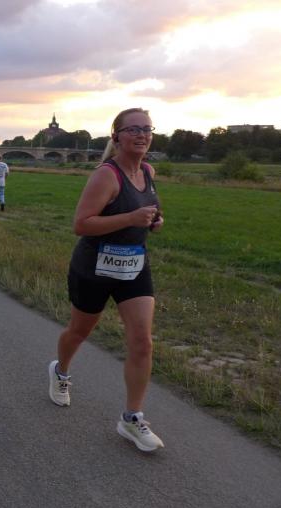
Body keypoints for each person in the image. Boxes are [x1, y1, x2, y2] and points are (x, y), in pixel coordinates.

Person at [48, 108, 165, 452]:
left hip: (133, 267)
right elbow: (81, 224)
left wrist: (153, 221)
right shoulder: (106, 175)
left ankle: (131, 418)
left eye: (147, 128)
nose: (142, 135)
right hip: (95, 267)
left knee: (142, 341)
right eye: (133, 129)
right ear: (116, 136)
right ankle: (61, 371)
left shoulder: (148, 171)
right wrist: (130, 217)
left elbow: (147, 210)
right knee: (79, 331)